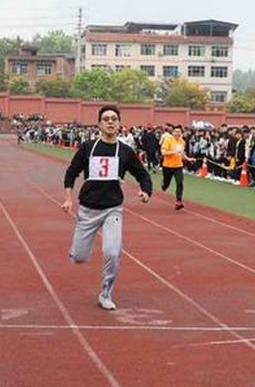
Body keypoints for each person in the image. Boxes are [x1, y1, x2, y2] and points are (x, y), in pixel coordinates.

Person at [62, 106, 152, 311]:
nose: (110, 122)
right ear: (99, 124)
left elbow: (143, 174)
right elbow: (71, 173)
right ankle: (77, 249)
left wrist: (146, 191)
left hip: (113, 209)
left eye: (114, 119)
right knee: (79, 257)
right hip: (87, 209)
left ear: (119, 124)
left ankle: (106, 292)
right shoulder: (87, 148)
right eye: (106, 119)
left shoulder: (126, 152)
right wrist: (68, 198)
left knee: (112, 252)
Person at [160, 124, 195, 210]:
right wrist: (174, 152)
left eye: (179, 132)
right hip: (167, 166)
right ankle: (164, 184)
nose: (177, 133)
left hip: (178, 166)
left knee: (180, 182)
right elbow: (163, 153)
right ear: (172, 132)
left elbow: (182, 154)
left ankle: (178, 201)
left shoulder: (182, 141)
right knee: (166, 184)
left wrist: (188, 159)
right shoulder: (168, 140)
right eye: (176, 131)